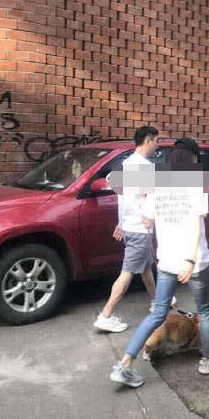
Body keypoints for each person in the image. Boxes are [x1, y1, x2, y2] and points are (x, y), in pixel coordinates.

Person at [109, 137, 209, 387]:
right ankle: (208, 360)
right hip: (194, 262)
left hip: (166, 263)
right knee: (205, 312)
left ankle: (124, 365)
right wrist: (190, 259)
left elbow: (147, 220)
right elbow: (195, 224)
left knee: (157, 314)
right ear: (194, 158)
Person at [93, 126, 160, 332]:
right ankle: (106, 315)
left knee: (146, 267)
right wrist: (150, 220)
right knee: (128, 272)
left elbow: (124, 198)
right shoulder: (145, 167)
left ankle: (156, 302)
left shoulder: (126, 164)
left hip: (130, 227)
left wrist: (121, 223)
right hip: (140, 229)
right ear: (148, 140)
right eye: (156, 141)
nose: (157, 145)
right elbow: (147, 199)